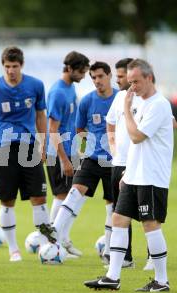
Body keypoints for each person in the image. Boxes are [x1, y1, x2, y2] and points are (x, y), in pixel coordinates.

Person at [84, 59, 173, 292]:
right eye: (129, 82)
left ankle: (162, 281)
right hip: (133, 174)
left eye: (136, 82)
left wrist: (126, 107)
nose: (131, 87)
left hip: (151, 177)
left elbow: (136, 137)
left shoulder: (158, 105)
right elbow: (132, 146)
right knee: (118, 220)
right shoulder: (138, 100)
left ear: (149, 78)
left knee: (150, 225)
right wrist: (127, 172)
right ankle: (113, 277)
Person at [0, 46, 50, 262]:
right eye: (7, 66)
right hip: (3, 146)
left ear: (21, 65)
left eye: (14, 66)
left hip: (30, 145)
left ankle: (45, 245)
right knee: (7, 199)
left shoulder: (35, 85)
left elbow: (40, 115)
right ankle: (13, 249)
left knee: (39, 197)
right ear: (3, 66)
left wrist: (43, 143)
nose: (11, 70)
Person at [50, 62, 117, 262]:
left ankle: (108, 252)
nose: (97, 81)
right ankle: (54, 234)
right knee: (74, 191)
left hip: (114, 162)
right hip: (91, 159)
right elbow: (80, 130)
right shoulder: (87, 101)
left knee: (111, 206)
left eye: (100, 77)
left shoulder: (119, 99)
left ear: (109, 76)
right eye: (93, 78)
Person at [46, 51, 89, 257]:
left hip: (70, 150)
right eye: (81, 72)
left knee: (73, 196)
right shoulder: (58, 92)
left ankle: (61, 239)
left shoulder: (70, 88)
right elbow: (52, 129)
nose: (83, 76)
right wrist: (64, 159)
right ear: (70, 69)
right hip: (58, 153)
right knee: (62, 196)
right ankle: (53, 243)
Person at [105, 58, 138, 269]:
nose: (117, 80)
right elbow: (110, 123)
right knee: (120, 211)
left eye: (120, 76)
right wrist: (113, 148)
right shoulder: (118, 97)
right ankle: (126, 258)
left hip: (138, 165)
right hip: (118, 164)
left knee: (146, 214)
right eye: (116, 76)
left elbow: (171, 122)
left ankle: (153, 257)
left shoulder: (145, 98)